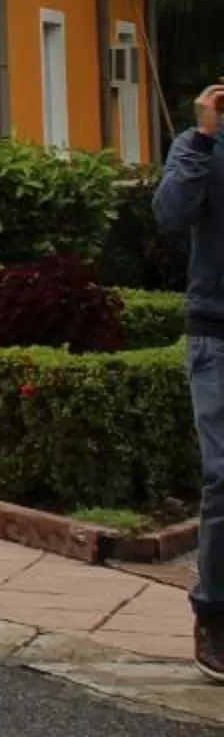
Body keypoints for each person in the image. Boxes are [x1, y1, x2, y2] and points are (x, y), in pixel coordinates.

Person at [156, 80, 224, 682]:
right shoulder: (200, 145)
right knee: (223, 477)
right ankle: (215, 615)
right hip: (216, 335)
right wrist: (203, 135)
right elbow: (169, 213)